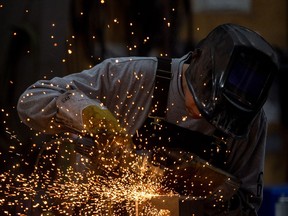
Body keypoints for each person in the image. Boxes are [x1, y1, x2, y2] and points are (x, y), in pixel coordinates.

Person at [17, 23, 278, 215]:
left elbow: (248, 206)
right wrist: (86, 112)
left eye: (219, 121)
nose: (204, 120)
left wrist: (193, 204)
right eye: (202, 107)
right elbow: (31, 100)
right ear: (195, 64)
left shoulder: (250, 124)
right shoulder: (132, 76)